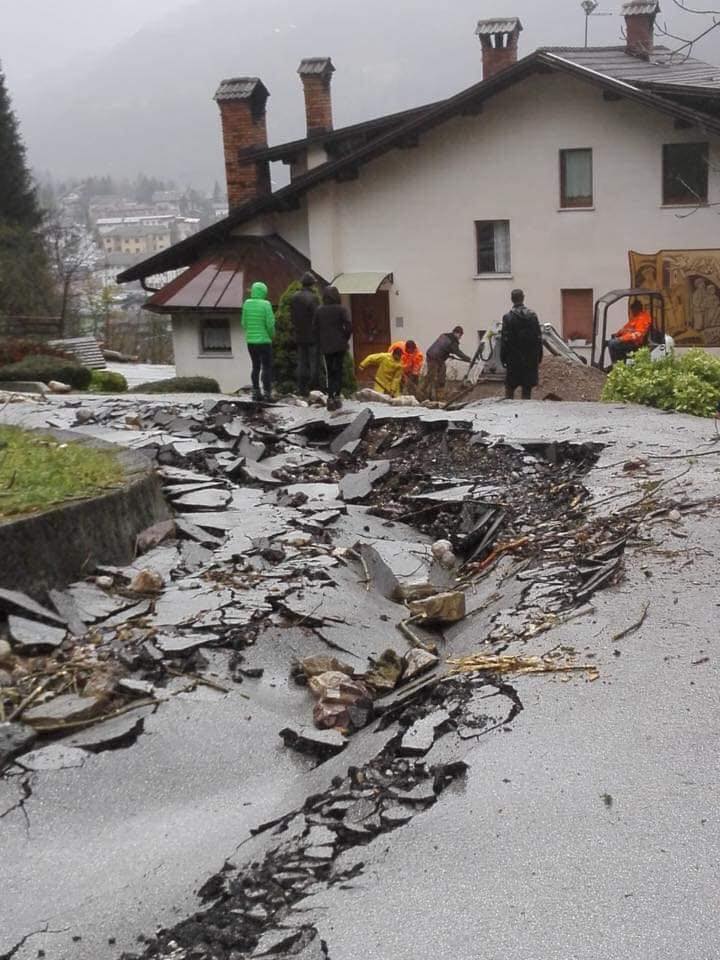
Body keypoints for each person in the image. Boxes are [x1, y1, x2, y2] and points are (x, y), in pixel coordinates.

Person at [313, 285, 352, 411]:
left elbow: (315, 328)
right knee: (339, 370)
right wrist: (345, 338)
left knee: (329, 371)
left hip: (326, 345)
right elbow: (349, 326)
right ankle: (337, 396)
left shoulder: (319, 310)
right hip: (340, 344)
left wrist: (320, 341)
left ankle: (329, 397)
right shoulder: (342, 309)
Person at [500, 289, 543, 400]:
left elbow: (505, 340)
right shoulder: (533, 316)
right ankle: (524, 414)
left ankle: (508, 413)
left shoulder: (508, 317)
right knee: (527, 390)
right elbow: (538, 338)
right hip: (529, 359)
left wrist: (503, 358)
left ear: (511, 299)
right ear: (523, 298)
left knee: (509, 388)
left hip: (513, 359)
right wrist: (539, 357)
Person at [241, 281, 276, 401]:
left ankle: (256, 392)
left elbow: (243, 323)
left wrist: (251, 332)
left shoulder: (246, 303)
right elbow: (270, 324)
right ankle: (267, 393)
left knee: (255, 366)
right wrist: (272, 335)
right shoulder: (266, 304)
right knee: (266, 367)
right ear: (263, 292)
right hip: (264, 341)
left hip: (251, 342)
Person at [290, 272, 320, 395]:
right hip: (312, 335)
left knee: (302, 362)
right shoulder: (313, 298)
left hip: (299, 334)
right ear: (312, 284)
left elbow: (292, 316)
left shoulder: (294, 297)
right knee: (314, 363)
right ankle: (314, 388)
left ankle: (301, 388)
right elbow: (317, 317)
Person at [424, 326, 471, 401]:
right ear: (457, 333)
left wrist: (447, 354)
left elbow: (441, 347)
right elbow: (458, 352)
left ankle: (436, 394)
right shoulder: (453, 341)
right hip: (435, 359)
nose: (460, 337)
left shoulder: (444, 335)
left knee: (439, 375)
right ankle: (426, 394)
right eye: (460, 335)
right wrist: (469, 359)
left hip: (432, 356)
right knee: (433, 377)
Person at [607, 300, 652, 365]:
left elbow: (637, 334)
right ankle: (619, 362)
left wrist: (621, 339)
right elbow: (626, 328)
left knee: (612, 344)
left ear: (637, 309)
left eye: (632, 310)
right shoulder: (636, 318)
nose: (632, 312)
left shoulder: (642, 319)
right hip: (630, 340)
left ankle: (617, 365)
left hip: (636, 343)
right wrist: (617, 334)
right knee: (611, 341)